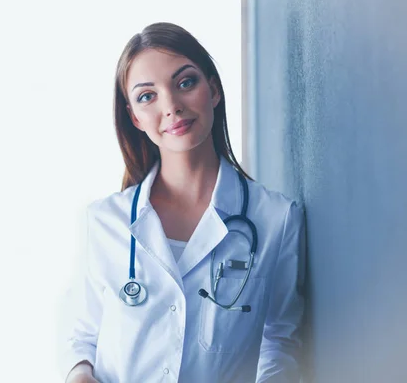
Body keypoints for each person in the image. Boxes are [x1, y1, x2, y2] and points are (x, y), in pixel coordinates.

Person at [58, 22, 306, 383]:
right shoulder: (104, 221)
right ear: (134, 116)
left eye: (185, 83)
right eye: (147, 96)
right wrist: (79, 376)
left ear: (214, 89)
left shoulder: (276, 220)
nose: (171, 106)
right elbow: (79, 338)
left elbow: (281, 341)